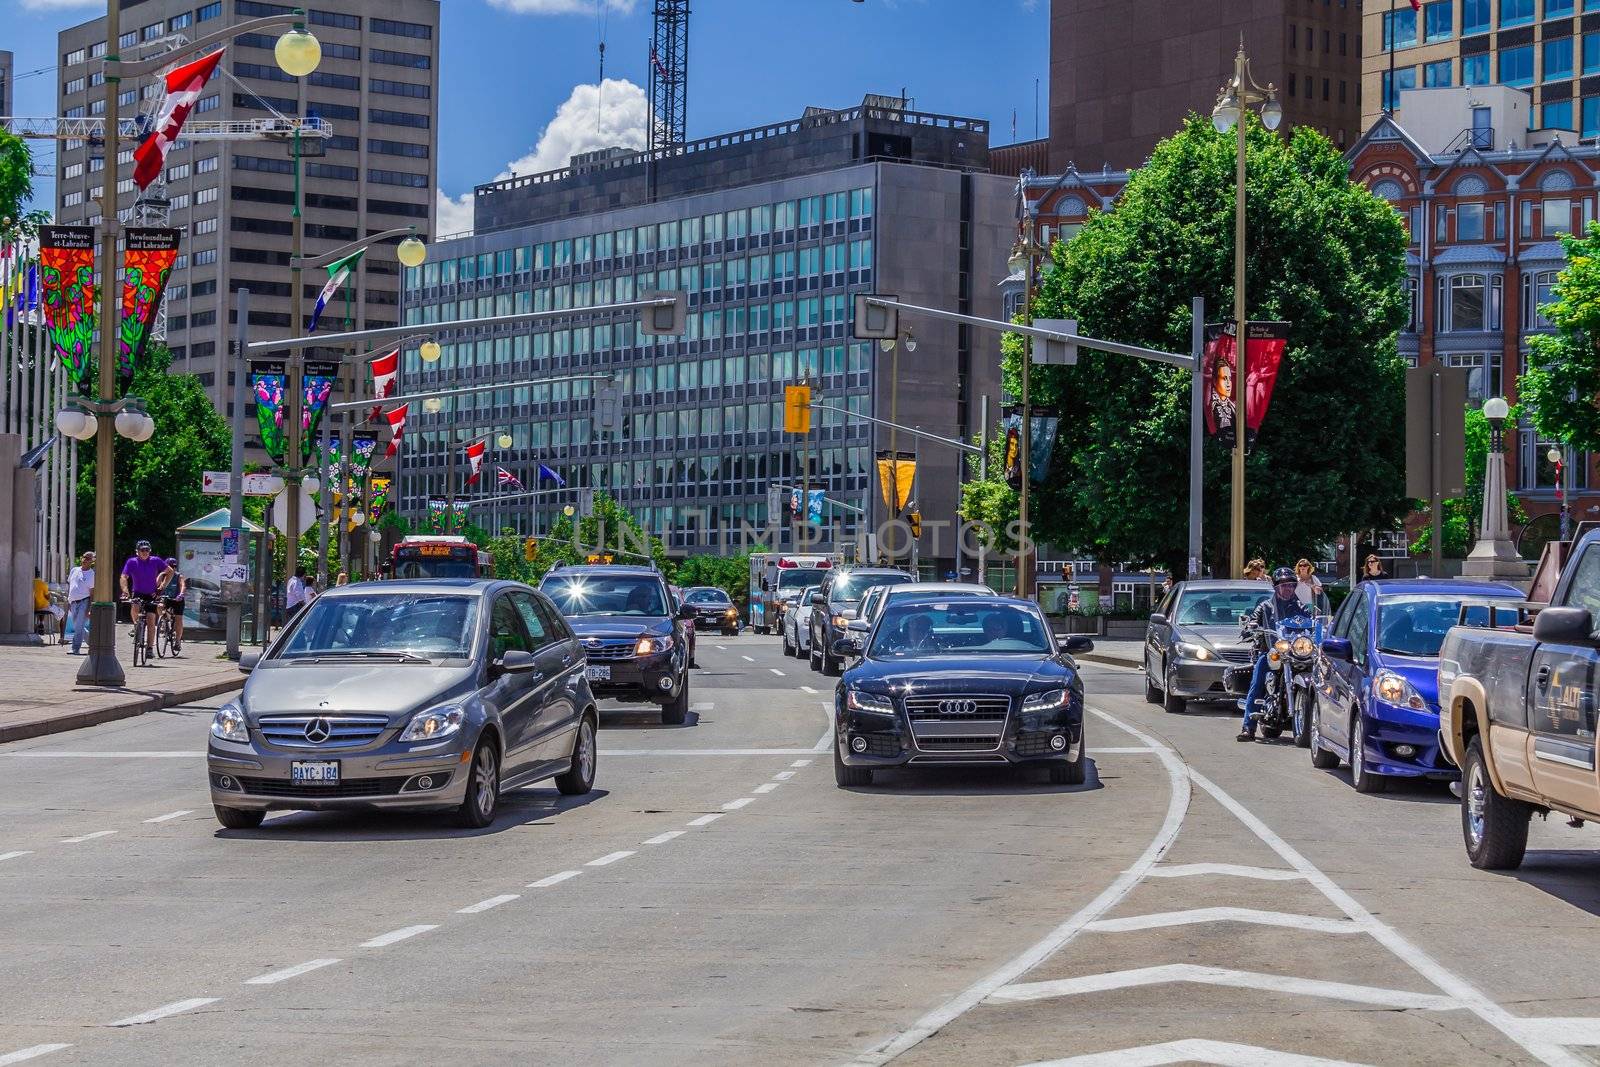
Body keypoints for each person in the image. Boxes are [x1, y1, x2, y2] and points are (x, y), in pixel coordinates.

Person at [1237, 567, 1313, 742]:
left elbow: (1312, 621)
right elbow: (1253, 620)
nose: (1288, 589)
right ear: (1276, 587)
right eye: (1284, 586)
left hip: (1296, 652)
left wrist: (1321, 627)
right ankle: (1248, 727)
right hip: (1273, 651)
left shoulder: (1300, 607)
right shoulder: (1266, 607)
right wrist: (1252, 627)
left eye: (1291, 586)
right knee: (1257, 681)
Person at [120, 540, 166, 660]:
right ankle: (136, 626)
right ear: (137, 552)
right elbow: (124, 576)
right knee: (134, 606)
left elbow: (169, 571)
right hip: (138, 592)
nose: (145, 552)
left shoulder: (155, 560)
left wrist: (162, 586)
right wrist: (125, 591)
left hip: (151, 594)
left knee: (151, 621)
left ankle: (150, 648)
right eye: (142, 550)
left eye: (147, 550)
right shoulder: (132, 562)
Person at [66, 551, 94, 656]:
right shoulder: (74, 570)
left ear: (92, 561)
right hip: (73, 601)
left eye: (88, 558)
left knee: (78, 626)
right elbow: (71, 586)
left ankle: (75, 648)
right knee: (78, 626)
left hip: (84, 601)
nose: (85, 559)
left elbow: (92, 593)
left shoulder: (91, 574)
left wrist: (89, 608)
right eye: (84, 557)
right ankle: (92, 642)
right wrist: (68, 601)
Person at [160, 558, 187, 654]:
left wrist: (181, 594)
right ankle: (164, 621)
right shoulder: (164, 576)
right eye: (171, 566)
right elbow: (159, 586)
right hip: (167, 597)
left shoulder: (179, 576)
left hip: (177, 599)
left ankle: (178, 641)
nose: (173, 568)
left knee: (178, 618)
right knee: (159, 606)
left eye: (174, 566)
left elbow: (183, 585)